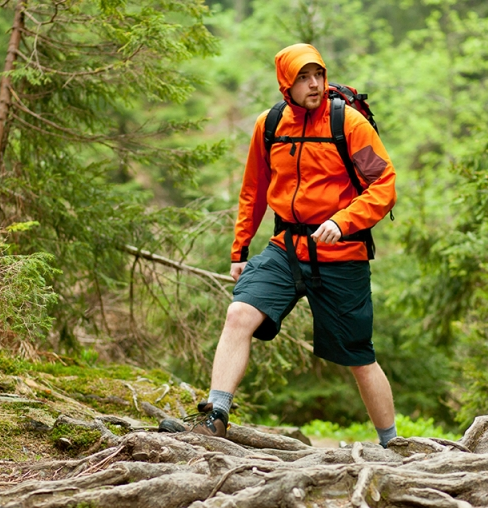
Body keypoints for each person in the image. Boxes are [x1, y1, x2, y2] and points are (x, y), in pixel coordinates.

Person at [163, 43, 398, 448]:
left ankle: (393, 445)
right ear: (285, 85)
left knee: (359, 356)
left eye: (318, 75)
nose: (314, 84)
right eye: (303, 78)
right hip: (286, 248)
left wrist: (342, 222)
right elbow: (252, 191)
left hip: (340, 254)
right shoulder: (269, 125)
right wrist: (239, 252)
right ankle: (216, 418)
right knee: (239, 313)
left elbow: (385, 185)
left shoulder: (350, 124)